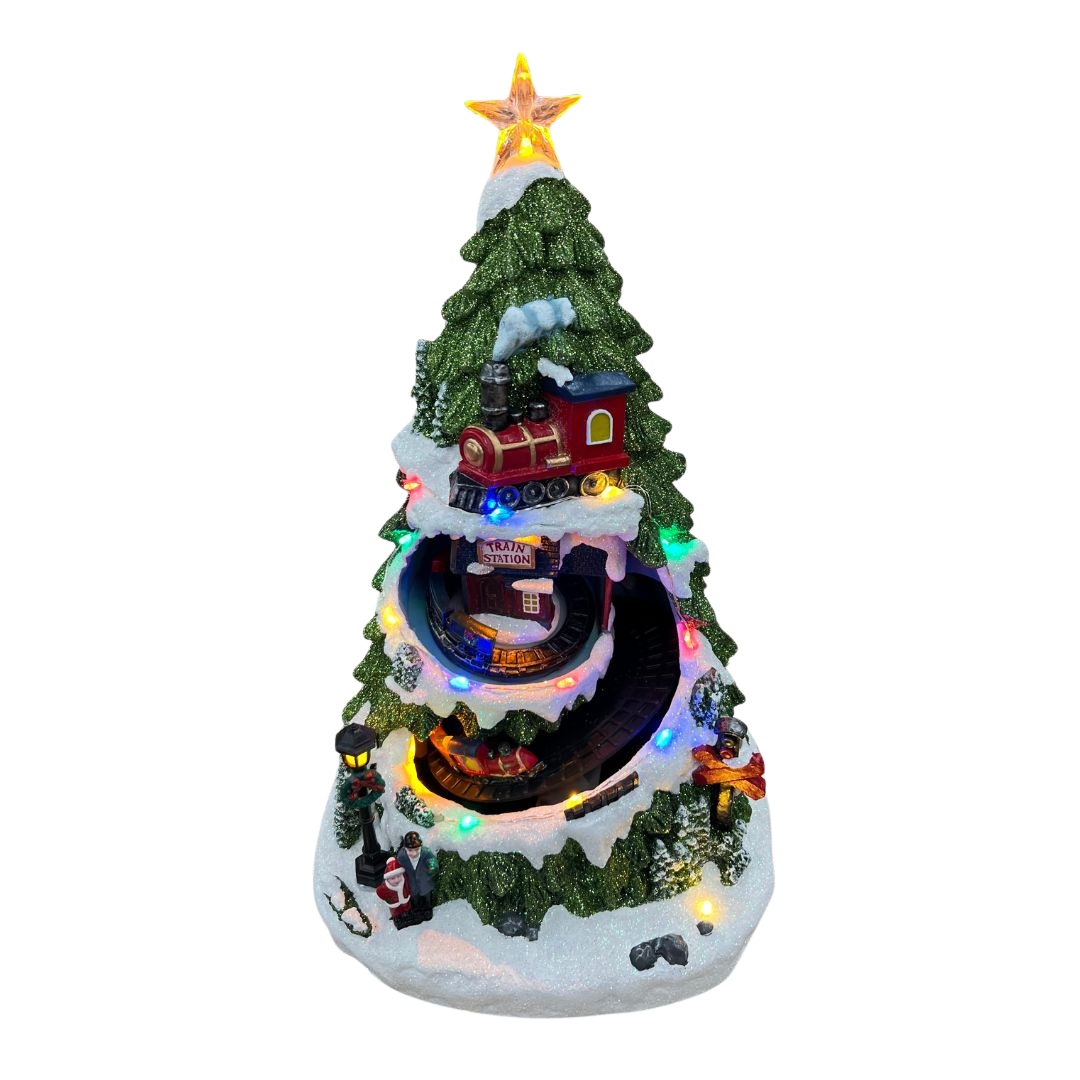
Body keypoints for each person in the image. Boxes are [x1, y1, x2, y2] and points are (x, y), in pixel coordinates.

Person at [396, 831, 438, 921]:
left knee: (427, 897)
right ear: (405, 848)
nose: (414, 853)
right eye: (410, 850)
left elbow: (433, 863)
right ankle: (416, 908)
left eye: (416, 850)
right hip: (411, 884)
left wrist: (431, 869)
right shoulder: (401, 856)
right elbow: (398, 868)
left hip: (425, 882)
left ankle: (427, 909)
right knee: (414, 898)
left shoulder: (426, 853)